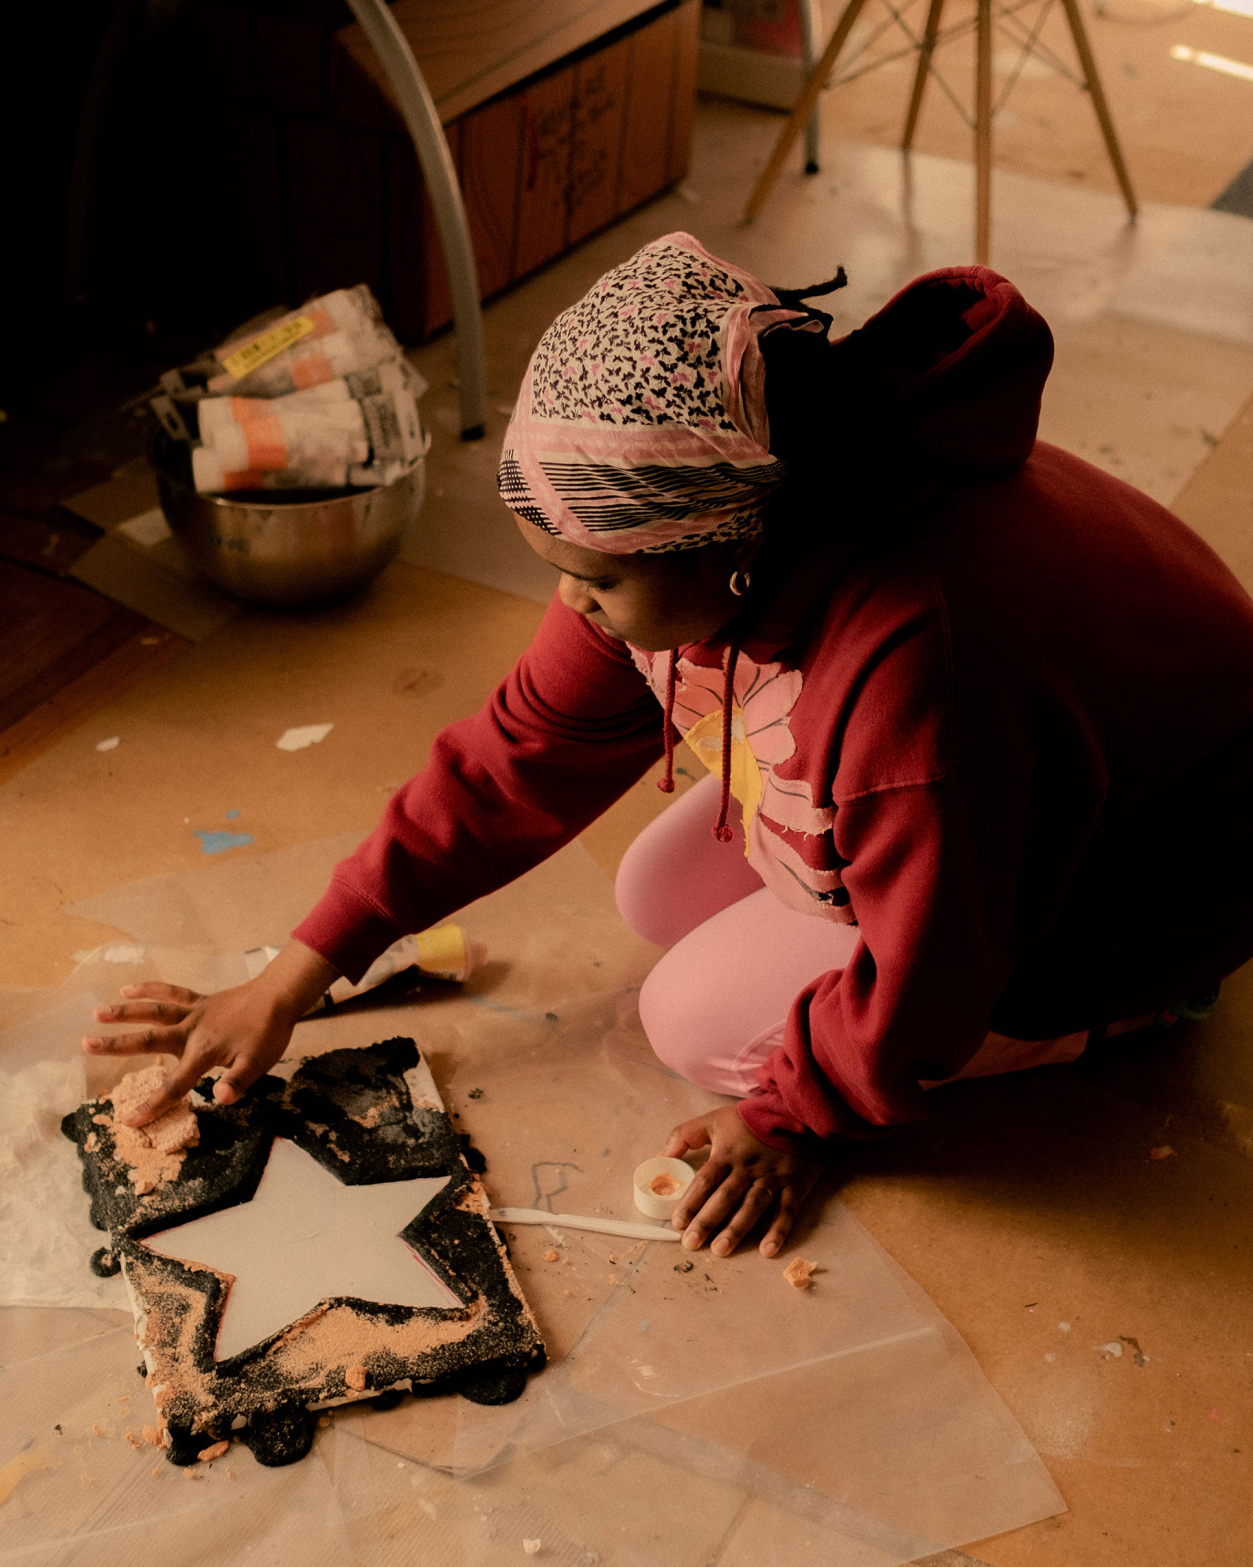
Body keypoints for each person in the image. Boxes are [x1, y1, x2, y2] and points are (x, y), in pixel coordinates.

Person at [85, 233, 1253, 1261]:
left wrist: (796, 1117)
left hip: (1141, 882)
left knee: (692, 1019)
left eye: (592, 581)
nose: (570, 606)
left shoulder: (917, 685)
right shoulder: (717, 512)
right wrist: (299, 971)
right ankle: (861, 911)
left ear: (728, 555)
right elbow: (516, 753)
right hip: (999, 796)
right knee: (658, 893)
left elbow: (932, 976)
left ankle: (1124, 1011)